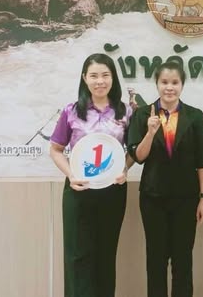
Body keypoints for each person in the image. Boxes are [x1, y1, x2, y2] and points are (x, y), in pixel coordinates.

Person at [49, 53, 134, 297]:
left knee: (105, 255)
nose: (100, 81)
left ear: (113, 78)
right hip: (79, 190)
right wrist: (71, 174)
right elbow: (55, 150)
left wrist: (124, 169)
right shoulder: (71, 111)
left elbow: (133, 151)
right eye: (94, 76)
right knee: (77, 256)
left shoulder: (125, 112)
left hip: (112, 192)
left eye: (105, 75)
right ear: (84, 78)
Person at [127, 61, 203, 297]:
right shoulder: (143, 114)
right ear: (156, 83)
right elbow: (138, 156)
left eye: (175, 82)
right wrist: (150, 132)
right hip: (152, 198)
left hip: (186, 199)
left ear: (182, 85)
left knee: (182, 260)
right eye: (164, 82)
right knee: (155, 260)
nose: (169, 87)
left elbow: (202, 161)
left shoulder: (195, 117)